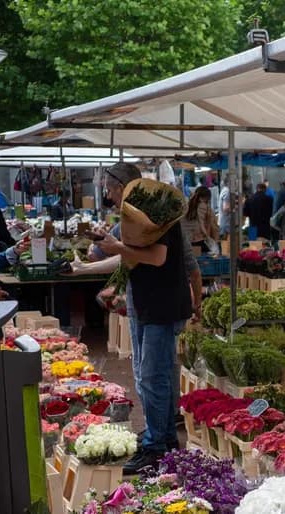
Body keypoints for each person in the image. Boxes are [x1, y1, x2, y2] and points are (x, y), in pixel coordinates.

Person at [89, 162, 201, 474]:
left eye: (110, 188)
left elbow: (158, 257)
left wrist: (114, 246)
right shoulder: (135, 212)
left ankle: (156, 447)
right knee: (148, 375)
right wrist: (103, 245)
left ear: (122, 184)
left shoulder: (157, 208)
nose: (108, 194)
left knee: (153, 377)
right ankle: (162, 438)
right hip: (147, 304)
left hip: (163, 306)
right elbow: (114, 254)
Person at [182, 187, 217, 253]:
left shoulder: (188, 204)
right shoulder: (202, 206)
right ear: (207, 198)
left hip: (184, 240)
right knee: (209, 254)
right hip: (194, 240)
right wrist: (208, 238)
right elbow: (201, 226)